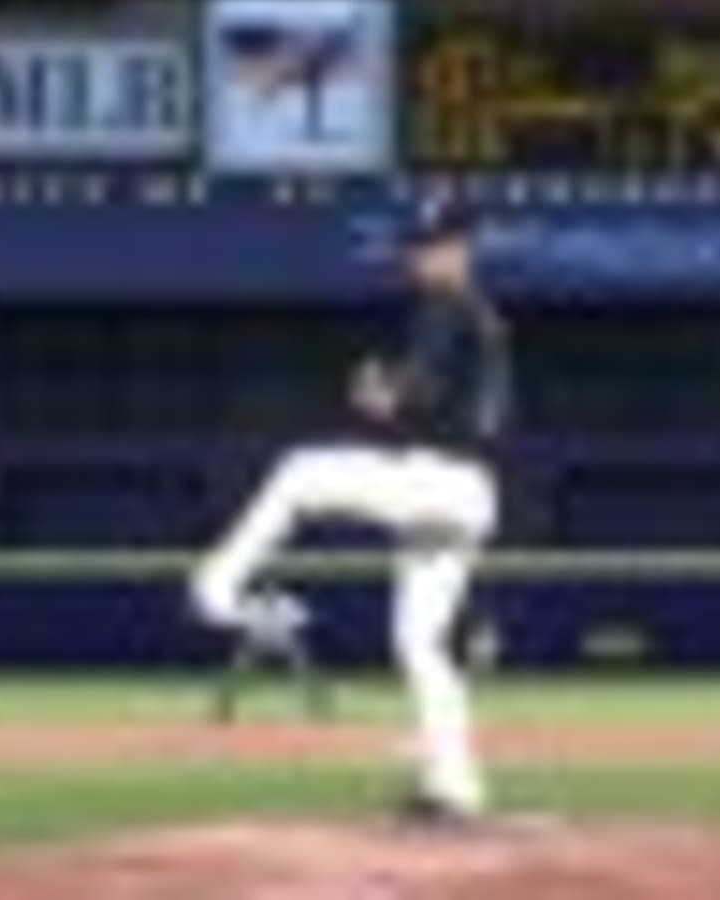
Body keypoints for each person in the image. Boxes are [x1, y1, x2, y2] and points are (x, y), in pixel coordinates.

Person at [190, 199, 512, 824]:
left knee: (296, 472)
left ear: (461, 247)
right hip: (469, 496)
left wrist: (379, 389)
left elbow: (414, 392)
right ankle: (455, 787)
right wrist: (397, 396)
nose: (419, 255)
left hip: (438, 482)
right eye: (417, 244)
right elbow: (468, 412)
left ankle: (217, 589)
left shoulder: (445, 304)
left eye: (433, 243)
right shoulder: (487, 318)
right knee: (419, 643)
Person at [211, 589, 334, 725]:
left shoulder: (287, 603)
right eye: (266, 594)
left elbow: (303, 621)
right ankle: (224, 708)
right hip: (257, 642)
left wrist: (294, 637)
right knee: (236, 670)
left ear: (278, 595)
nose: (269, 597)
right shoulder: (253, 604)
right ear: (262, 595)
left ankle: (319, 706)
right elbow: (240, 625)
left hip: (282, 642)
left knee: (304, 667)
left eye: (272, 594)